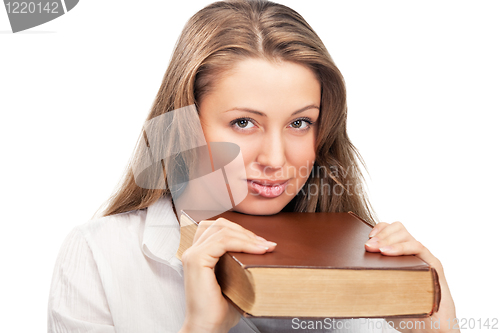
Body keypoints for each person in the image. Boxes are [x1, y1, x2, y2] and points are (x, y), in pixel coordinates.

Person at [47, 1, 459, 332]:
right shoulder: (100, 255)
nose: (276, 160)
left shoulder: (370, 269)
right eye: (244, 123)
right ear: (186, 123)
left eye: (300, 123)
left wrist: (439, 326)